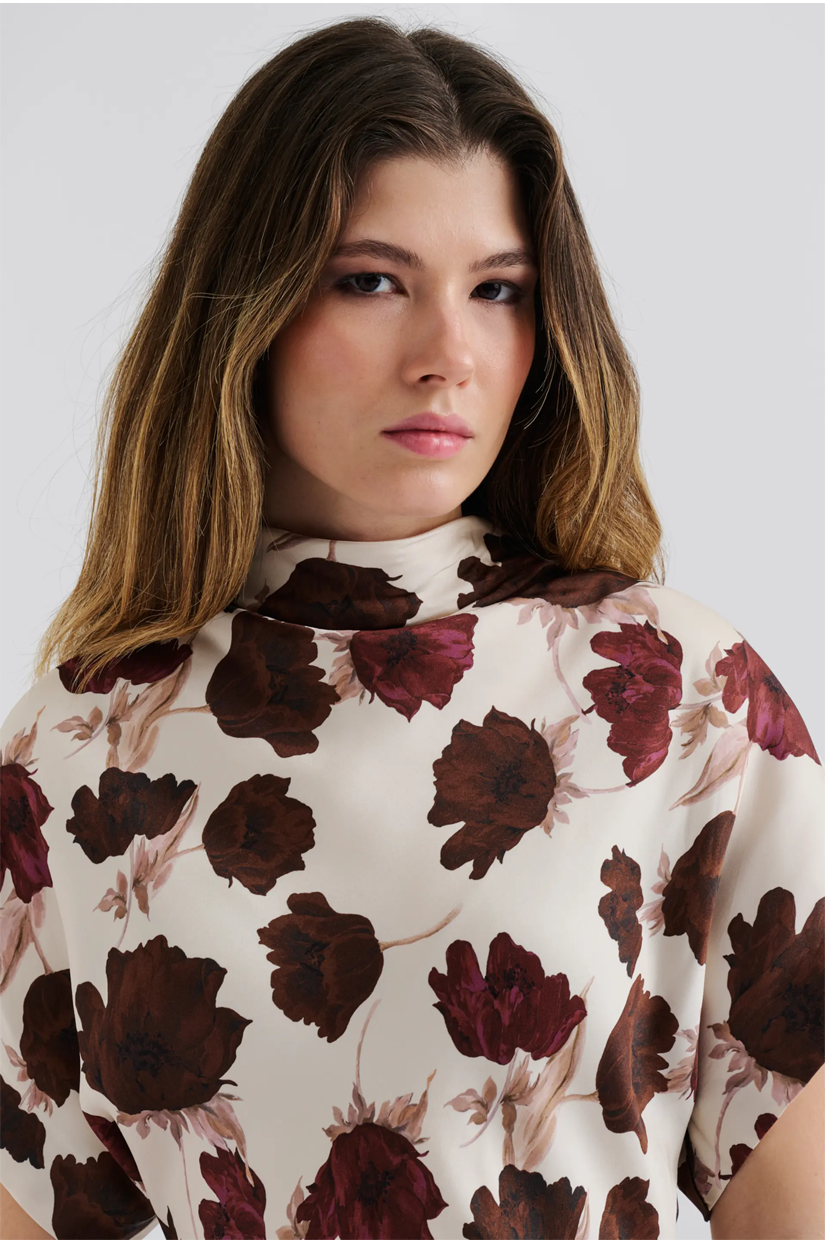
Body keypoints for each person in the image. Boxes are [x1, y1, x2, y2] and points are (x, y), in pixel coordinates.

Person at [1, 15, 822, 1240]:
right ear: (248, 308)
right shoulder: (79, 750)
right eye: (372, 280)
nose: (449, 354)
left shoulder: (677, 698)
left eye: (498, 291)